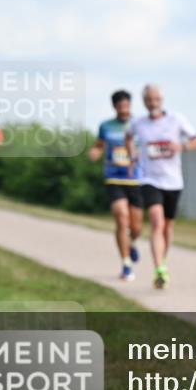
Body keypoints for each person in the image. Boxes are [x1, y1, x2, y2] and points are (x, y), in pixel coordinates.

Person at [125, 84, 196, 289]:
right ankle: (159, 269)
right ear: (144, 101)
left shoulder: (176, 119)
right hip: (150, 180)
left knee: (167, 227)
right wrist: (132, 157)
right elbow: (128, 137)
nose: (153, 103)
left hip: (173, 181)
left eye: (156, 99)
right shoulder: (138, 123)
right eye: (149, 100)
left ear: (162, 100)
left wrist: (181, 146)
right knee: (157, 223)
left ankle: (163, 263)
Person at [89, 90, 143, 281]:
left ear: (130, 105)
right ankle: (126, 265)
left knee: (136, 227)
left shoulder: (139, 124)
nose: (123, 108)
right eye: (120, 105)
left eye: (126, 105)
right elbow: (99, 145)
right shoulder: (106, 126)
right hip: (114, 178)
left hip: (136, 179)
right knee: (121, 218)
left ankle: (132, 242)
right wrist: (95, 152)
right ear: (114, 107)